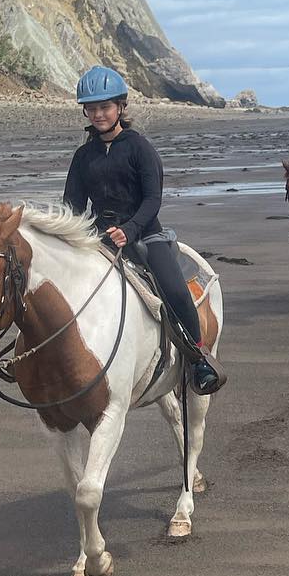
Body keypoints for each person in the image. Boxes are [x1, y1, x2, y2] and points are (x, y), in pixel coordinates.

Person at [63, 65, 225, 395]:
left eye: (105, 107)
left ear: (121, 107)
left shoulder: (139, 148)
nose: (98, 114)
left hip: (146, 232)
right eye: (91, 108)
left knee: (176, 290)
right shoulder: (83, 156)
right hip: (98, 235)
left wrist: (131, 228)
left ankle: (198, 358)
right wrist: (71, 235)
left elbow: (153, 199)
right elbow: (73, 206)